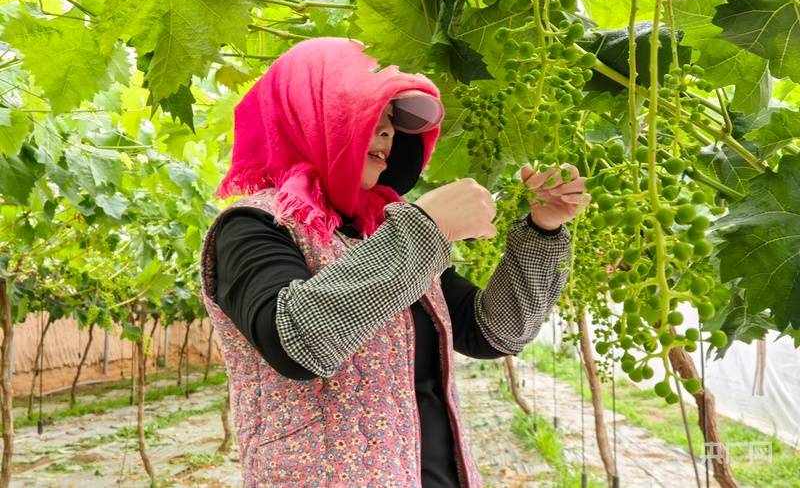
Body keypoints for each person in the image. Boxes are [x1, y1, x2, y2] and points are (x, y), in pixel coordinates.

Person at [199, 37, 590, 487]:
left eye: (391, 123)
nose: (387, 133)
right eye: (368, 115)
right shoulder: (252, 226)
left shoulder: (383, 230)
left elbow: (493, 332)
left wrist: (542, 229)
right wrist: (425, 228)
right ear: (313, 116)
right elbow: (295, 343)